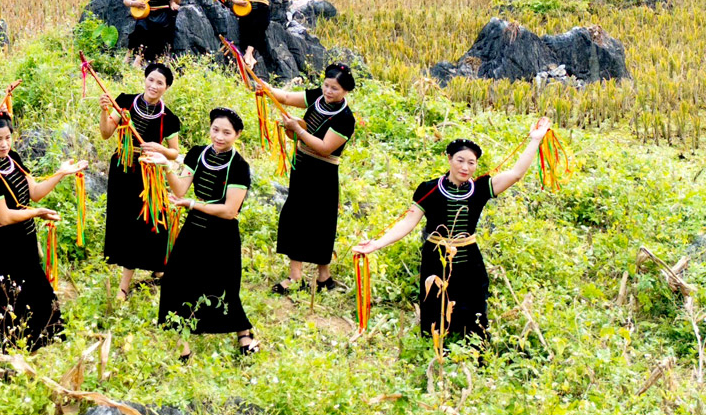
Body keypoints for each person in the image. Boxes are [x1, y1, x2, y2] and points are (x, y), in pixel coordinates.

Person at [353, 118, 552, 346]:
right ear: (449, 159)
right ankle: (435, 349)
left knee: (474, 308)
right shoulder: (428, 189)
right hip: (435, 258)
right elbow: (408, 223)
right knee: (435, 308)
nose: (465, 168)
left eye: (471, 163)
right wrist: (377, 244)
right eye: (460, 160)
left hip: (469, 259)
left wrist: (535, 140)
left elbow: (516, 174)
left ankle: (474, 350)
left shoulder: (480, 189)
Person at [0, 110, 86, 352]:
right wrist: (37, 213)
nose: (5, 144)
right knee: (8, 296)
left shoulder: (12, 157)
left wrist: (61, 173)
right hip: (2, 241)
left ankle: (40, 343)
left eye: (8, 138)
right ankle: (8, 353)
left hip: (24, 235)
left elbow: (34, 193)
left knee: (37, 289)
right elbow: (4, 216)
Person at [146, 108, 256, 360]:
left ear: (237, 134)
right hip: (194, 227)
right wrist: (166, 167)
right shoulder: (197, 153)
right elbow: (181, 190)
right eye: (215, 130)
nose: (219, 136)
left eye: (227, 132)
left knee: (223, 286)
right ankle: (182, 345)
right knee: (175, 280)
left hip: (222, 234)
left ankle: (243, 331)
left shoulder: (240, 167)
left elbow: (229, 211)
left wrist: (194, 205)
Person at [266, 63, 357, 294]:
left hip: (323, 172)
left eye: (334, 88)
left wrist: (297, 130)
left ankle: (323, 276)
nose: (328, 91)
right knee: (295, 216)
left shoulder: (345, 118)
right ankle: (295, 276)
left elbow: (325, 148)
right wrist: (265, 88)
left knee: (322, 222)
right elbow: (285, 97)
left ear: (345, 91)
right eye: (326, 85)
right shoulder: (317, 97)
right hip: (302, 166)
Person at [100, 62, 181, 302]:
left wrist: (159, 149)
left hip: (149, 175)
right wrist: (105, 111)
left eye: (160, 83)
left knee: (155, 220)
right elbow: (106, 134)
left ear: (166, 88)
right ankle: (124, 286)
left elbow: (175, 152)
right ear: (144, 79)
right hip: (123, 170)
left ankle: (158, 267)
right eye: (151, 80)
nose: (153, 85)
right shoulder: (124, 102)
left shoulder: (169, 118)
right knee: (127, 223)